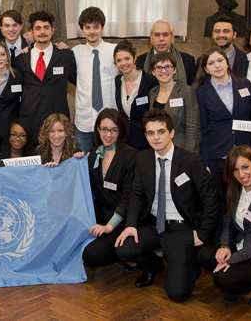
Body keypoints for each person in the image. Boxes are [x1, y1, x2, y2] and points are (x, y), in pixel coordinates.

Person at [115, 109, 219, 302]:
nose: (156, 137)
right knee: (124, 249)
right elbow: (136, 195)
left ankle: (189, 262)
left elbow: (211, 199)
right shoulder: (143, 159)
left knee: (177, 294)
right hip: (154, 224)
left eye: (161, 131)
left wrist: (203, 234)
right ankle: (154, 266)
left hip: (180, 228)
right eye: (150, 133)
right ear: (145, 135)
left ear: (171, 133)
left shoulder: (191, 160)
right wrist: (130, 225)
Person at [198, 145, 251, 308]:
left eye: (245, 167)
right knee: (206, 255)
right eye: (236, 170)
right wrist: (225, 246)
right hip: (239, 246)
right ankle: (240, 286)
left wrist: (234, 259)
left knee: (222, 278)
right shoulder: (235, 189)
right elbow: (229, 222)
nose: (242, 175)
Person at [194, 46, 251, 240]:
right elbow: (202, 129)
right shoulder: (202, 93)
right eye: (211, 63)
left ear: (227, 62)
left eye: (219, 60)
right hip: (218, 155)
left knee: (246, 200)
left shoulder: (245, 85)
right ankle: (222, 242)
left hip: (245, 152)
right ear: (206, 69)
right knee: (221, 202)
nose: (217, 65)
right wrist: (205, 161)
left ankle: (245, 241)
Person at [80, 109, 136, 269]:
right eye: (104, 129)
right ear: (98, 129)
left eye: (113, 130)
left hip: (121, 220)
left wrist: (108, 227)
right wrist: (77, 161)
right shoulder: (92, 155)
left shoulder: (130, 156)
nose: (108, 135)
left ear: (121, 131)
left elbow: (128, 198)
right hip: (100, 216)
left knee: (92, 255)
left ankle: (129, 256)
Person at [16, 11, 77, 140]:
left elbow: (80, 83)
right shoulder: (22, 58)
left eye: (46, 27)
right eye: (38, 28)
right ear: (32, 32)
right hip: (30, 120)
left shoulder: (65, 56)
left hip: (58, 122)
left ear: (52, 30)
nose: (42, 32)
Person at [72, 7, 117, 152]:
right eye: (87, 27)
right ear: (82, 30)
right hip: (84, 122)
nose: (92, 31)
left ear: (102, 28)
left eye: (96, 27)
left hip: (110, 124)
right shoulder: (75, 52)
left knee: (110, 167)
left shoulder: (114, 51)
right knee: (86, 166)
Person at [148, 52, 201, 153]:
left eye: (167, 66)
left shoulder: (186, 91)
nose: (163, 71)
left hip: (181, 151)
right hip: (159, 151)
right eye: (158, 67)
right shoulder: (153, 93)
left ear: (174, 70)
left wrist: (188, 155)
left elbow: (192, 128)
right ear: (153, 72)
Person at [113, 40, 159, 151]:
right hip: (125, 142)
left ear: (135, 59)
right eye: (119, 60)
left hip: (146, 142)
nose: (123, 63)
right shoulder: (117, 82)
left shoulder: (150, 81)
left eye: (127, 58)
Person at [135, 21, 197, 86]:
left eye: (165, 34)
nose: (161, 39)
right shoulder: (140, 61)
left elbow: (192, 89)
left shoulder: (188, 60)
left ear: (172, 38)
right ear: (151, 39)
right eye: (157, 35)